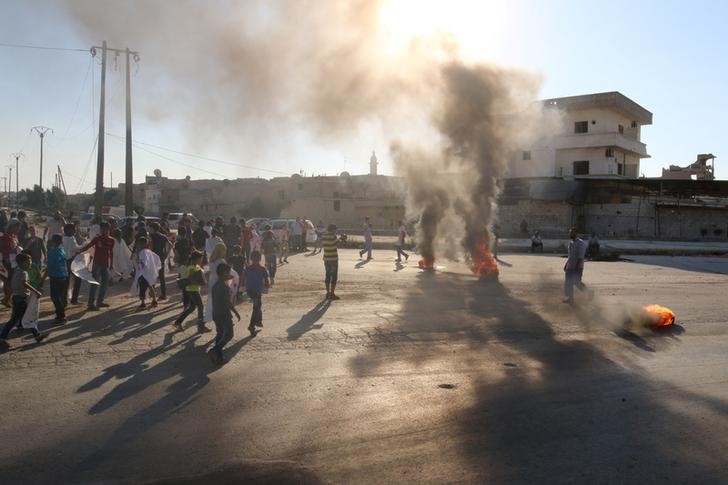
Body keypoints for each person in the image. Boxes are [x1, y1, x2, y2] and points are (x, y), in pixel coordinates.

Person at [0, 253, 46, 347]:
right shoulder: (23, 273)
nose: (30, 263)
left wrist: (7, 297)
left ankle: (37, 335)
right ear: (23, 263)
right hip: (21, 299)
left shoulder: (16, 271)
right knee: (23, 318)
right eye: (29, 262)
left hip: (17, 298)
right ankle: (2, 337)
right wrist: (36, 291)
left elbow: (12, 285)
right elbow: (24, 283)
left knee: (21, 318)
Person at [209, 262, 241, 366]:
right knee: (229, 334)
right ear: (224, 274)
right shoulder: (224, 287)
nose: (230, 275)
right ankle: (215, 350)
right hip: (224, 313)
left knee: (220, 333)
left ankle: (218, 357)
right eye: (228, 272)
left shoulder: (216, 285)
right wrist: (236, 313)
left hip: (216, 313)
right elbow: (228, 302)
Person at [81, 222, 115, 311]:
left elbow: (111, 253)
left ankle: (99, 301)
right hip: (97, 264)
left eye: (104, 229)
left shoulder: (111, 240)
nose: (103, 231)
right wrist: (80, 252)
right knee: (95, 284)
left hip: (105, 264)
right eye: (102, 229)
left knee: (104, 283)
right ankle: (91, 303)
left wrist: (111, 264)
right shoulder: (97, 239)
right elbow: (88, 246)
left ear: (108, 230)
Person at [173, 251, 209, 333]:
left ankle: (178, 322)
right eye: (200, 258)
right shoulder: (192, 267)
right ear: (196, 259)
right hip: (193, 290)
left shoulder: (196, 266)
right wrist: (200, 283)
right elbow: (190, 278)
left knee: (192, 308)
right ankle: (201, 327)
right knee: (200, 307)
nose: (201, 260)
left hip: (193, 290)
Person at [131, 236, 161, 310]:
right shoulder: (148, 251)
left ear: (143, 244)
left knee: (142, 288)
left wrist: (140, 268)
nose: (138, 245)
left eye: (139, 244)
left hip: (143, 273)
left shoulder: (142, 252)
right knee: (150, 286)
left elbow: (142, 262)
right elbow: (156, 258)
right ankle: (154, 300)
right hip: (148, 273)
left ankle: (143, 303)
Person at [44, 234, 69, 324]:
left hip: (55, 276)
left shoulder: (52, 251)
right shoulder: (61, 250)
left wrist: (42, 279)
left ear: (53, 241)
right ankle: (60, 315)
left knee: (55, 297)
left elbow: (49, 266)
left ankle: (61, 316)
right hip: (63, 276)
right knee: (58, 296)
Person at [563, 227, 591, 304]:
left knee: (576, 282)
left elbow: (580, 257)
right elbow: (570, 255)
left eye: (572, 232)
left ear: (576, 233)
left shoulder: (581, 243)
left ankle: (589, 292)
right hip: (570, 266)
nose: (570, 234)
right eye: (570, 232)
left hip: (578, 267)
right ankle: (569, 298)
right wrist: (566, 264)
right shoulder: (571, 243)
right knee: (568, 282)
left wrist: (576, 268)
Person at [244, 250, 269, 336]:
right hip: (257, 291)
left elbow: (244, 278)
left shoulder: (247, 268)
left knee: (258, 306)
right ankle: (252, 326)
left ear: (251, 259)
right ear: (259, 259)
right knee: (256, 308)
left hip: (249, 290)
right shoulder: (262, 269)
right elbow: (267, 281)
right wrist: (266, 286)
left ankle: (258, 321)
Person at [204, 243, 228, 324]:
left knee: (211, 301)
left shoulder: (211, 260)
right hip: (219, 280)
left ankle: (207, 318)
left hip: (212, 280)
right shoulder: (221, 261)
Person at [149, 222, 172, 300]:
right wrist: (166, 254)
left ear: (153, 229)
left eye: (150, 228)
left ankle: (152, 294)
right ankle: (164, 294)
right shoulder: (163, 236)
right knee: (162, 277)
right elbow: (170, 245)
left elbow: (151, 248)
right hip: (161, 258)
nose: (149, 230)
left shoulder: (151, 236)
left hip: (154, 258)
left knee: (153, 276)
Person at [63, 223, 84, 304]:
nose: (75, 231)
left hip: (66, 261)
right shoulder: (71, 238)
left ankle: (65, 300)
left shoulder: (64, 238)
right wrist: (84, 245)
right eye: (73, 229)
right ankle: (74, 299)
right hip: (71, 261)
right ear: (69, 230)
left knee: (67, 281)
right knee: (78, 280)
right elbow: (76, 249)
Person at [0, 221, 20, 306]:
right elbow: (2, 249)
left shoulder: (14, 236)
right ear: (11, 227)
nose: (18, 229)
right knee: (9, 282)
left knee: (11, 282)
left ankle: (6, 298)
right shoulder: (4, 237)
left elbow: (15, 247)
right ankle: (6, 299)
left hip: (14, 262)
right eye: (16, 227)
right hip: (6, 262)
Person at [322, 223, 341, 300]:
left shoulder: (324, 235)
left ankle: (327, 293)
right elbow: (337, 244)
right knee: (334, 277)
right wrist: (340, 238)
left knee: (327, 276)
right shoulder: (333, 236)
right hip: (333, 259)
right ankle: (332, 294)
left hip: (326, 258)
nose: (336, 231)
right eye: (335, 229)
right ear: (333, 229)